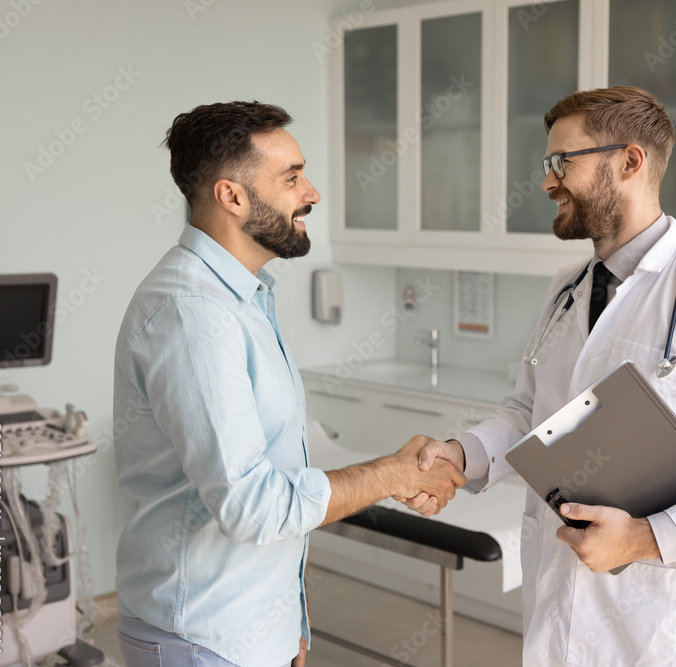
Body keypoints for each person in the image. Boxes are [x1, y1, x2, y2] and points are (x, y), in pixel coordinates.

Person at [401, 87, 676, 665]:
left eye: (563, 162)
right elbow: (535, 415)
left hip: (660, 626)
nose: (548, 181)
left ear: (630, 161)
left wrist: (644, 539)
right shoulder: (567, 288)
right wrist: (463, 454)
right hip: (557, 605)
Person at [112, 101, 465, 667]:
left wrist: (284, 626)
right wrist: (392, 475)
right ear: (232, 196)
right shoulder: (192, 313)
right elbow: (252, 506)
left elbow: (269, 475)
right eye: (292, 177)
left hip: (248, 630)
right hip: (202, 638)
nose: (313, 193)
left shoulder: (244, 296)